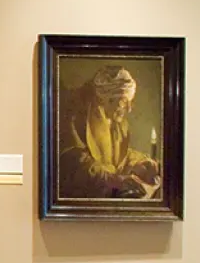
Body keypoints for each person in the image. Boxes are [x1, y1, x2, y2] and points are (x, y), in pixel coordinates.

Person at [59, 65, 162, 200]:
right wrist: (116, 181)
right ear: (105, 100)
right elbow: (77, 165)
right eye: (124, 102)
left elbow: (119, 157)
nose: (129, 109)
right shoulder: (75, 118)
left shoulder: (116, 121)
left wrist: (139, 163)